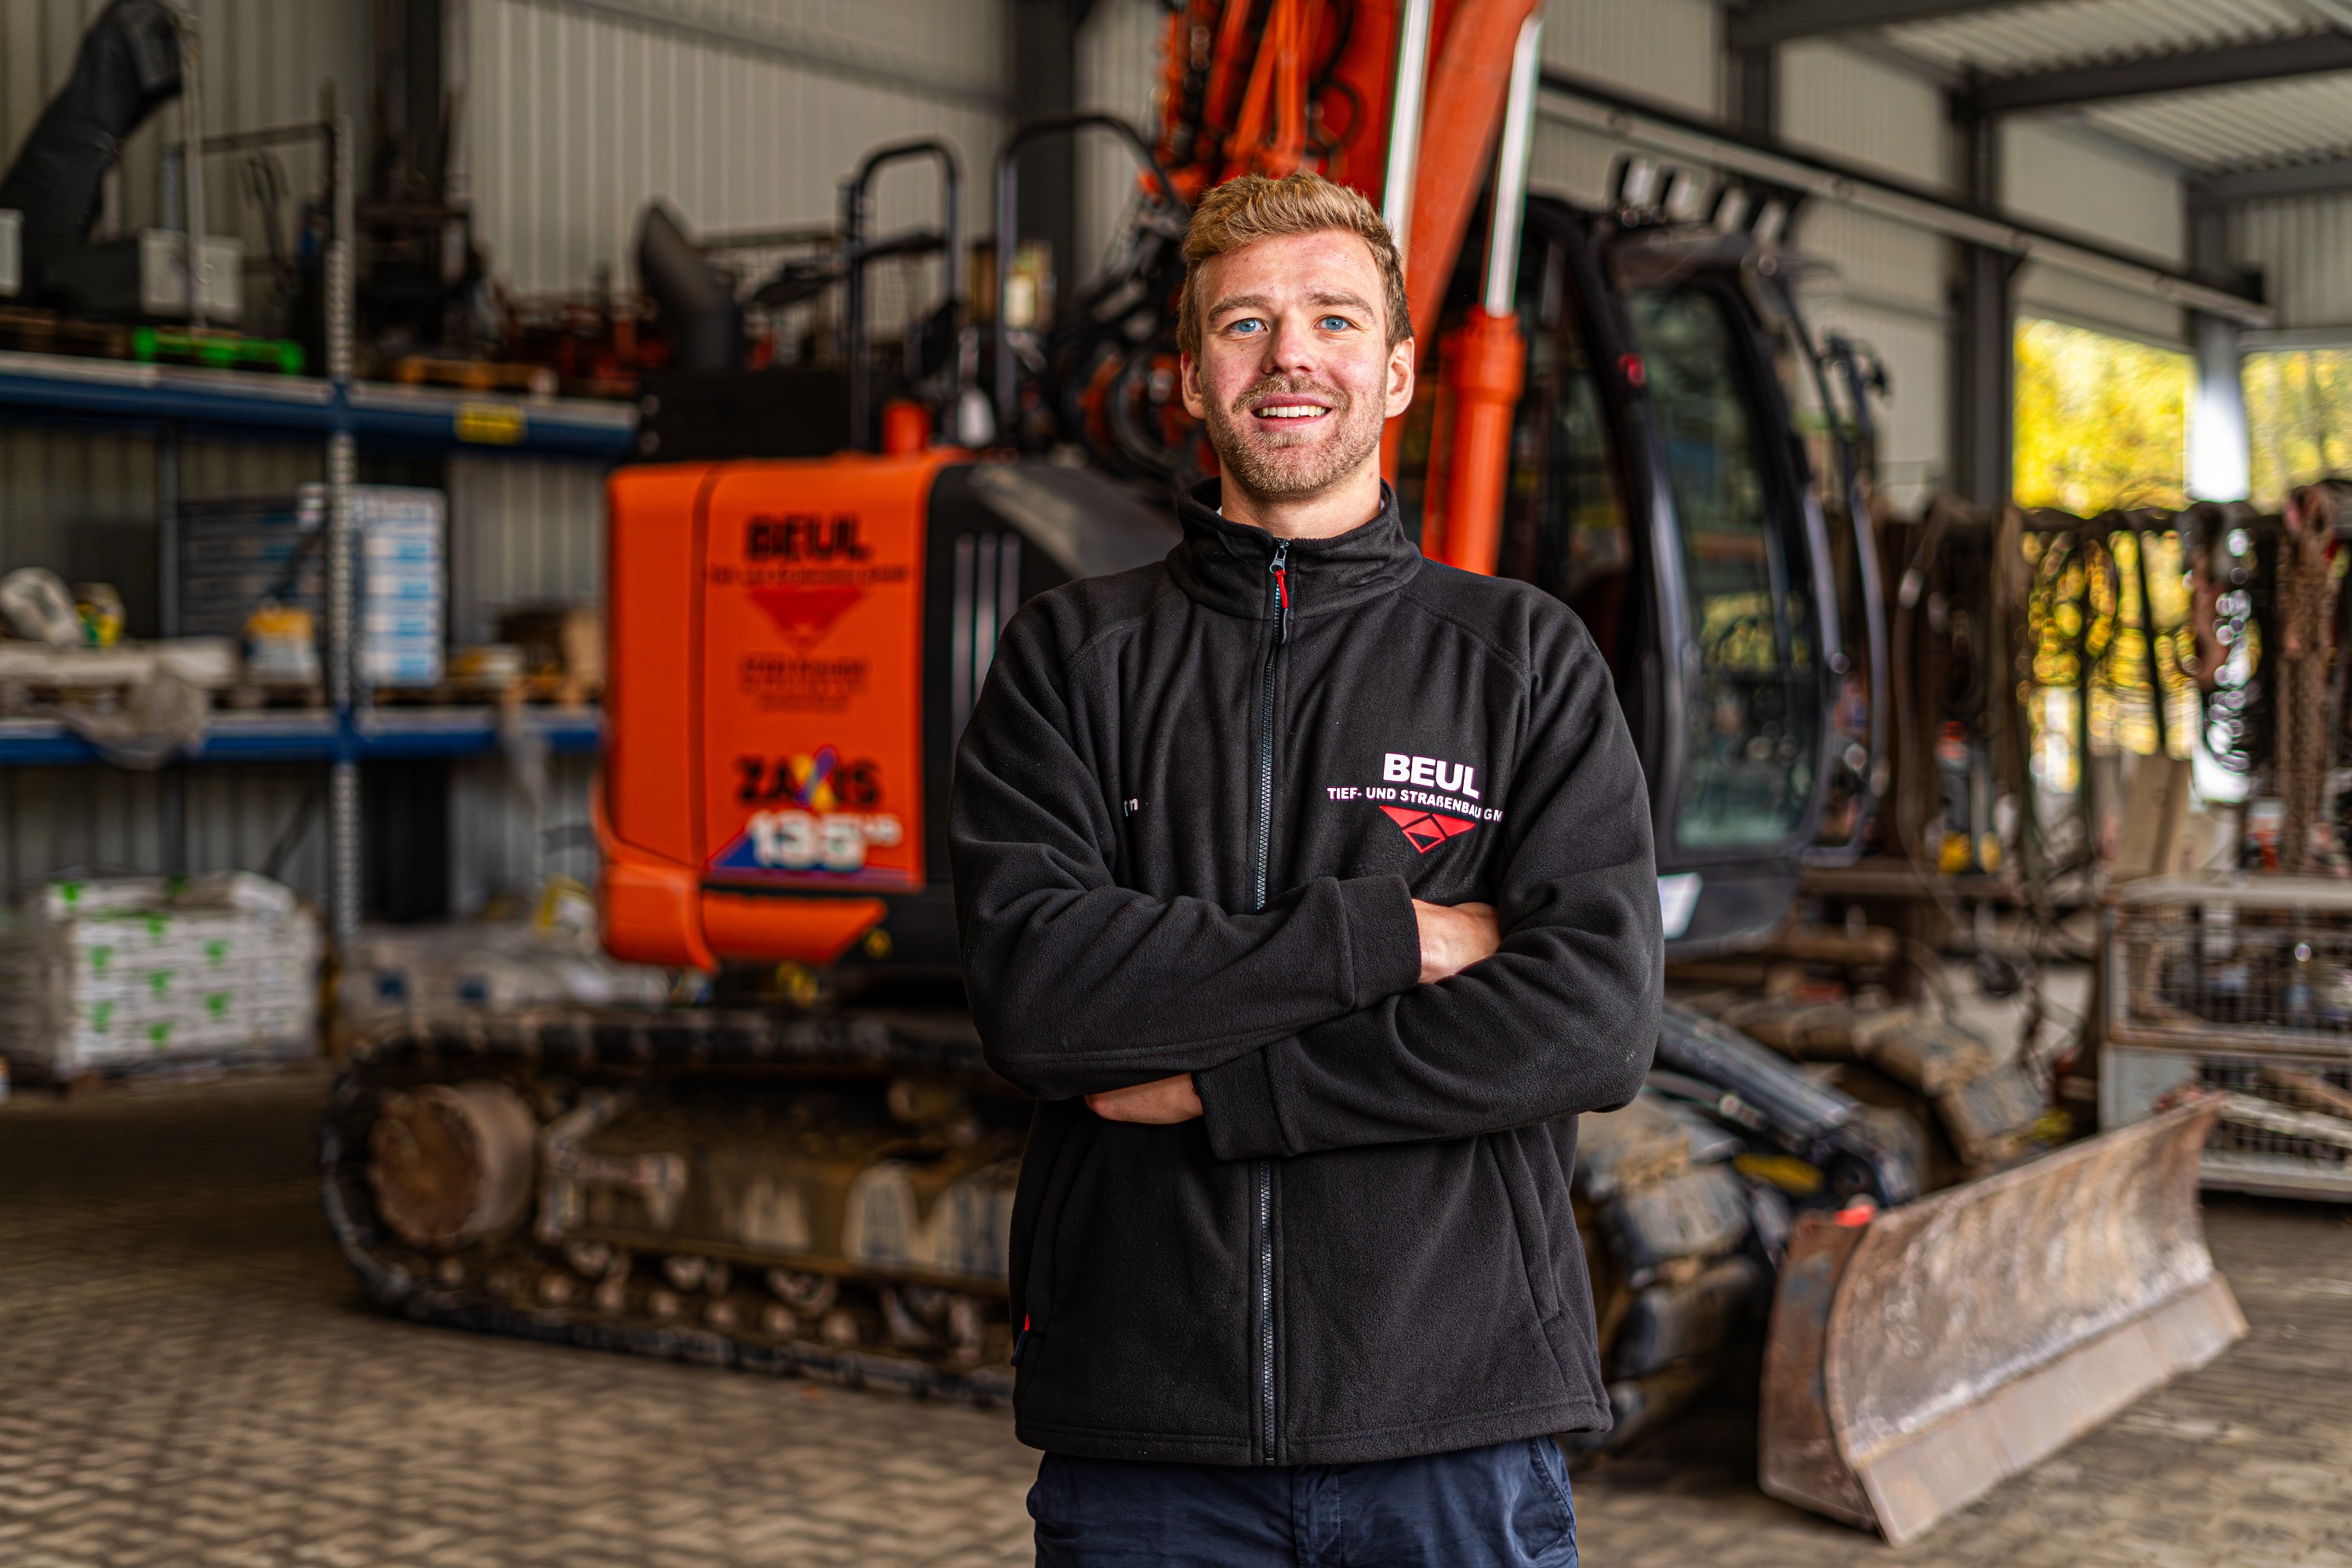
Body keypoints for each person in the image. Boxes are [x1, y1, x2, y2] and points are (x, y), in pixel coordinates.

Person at [950, 170, 1662, 1568]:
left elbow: (1590, 1019)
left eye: (1336, 320)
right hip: (1151, 1441)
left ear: (1396, 374)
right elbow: (1041, 997)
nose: (1291, 355)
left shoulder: (1521, 661)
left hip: (1453, 1430)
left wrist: (1229, 1092)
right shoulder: (1071, 660)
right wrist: (1395, 940)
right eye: (1246, 324)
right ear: (1190, 378)